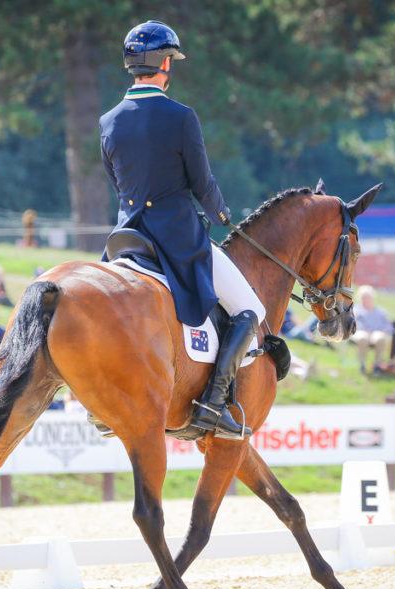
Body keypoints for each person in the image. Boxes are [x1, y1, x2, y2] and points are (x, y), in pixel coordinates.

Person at [98, 20, 265, 439]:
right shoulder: (180, 117)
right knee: (250, 310)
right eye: (171, 59)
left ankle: (99, 403)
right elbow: (202, 182)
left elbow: (117, 182)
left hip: (126, 238)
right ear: (164, 63)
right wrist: (223, 215)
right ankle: (212, 404)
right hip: (175, 236)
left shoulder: (108, 120)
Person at [351, 285, 393, 374]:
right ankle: (362, 364)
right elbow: (353, 324)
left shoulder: (381, 312)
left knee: (380, 338)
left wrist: (382, 331)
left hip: (377, 332)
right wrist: (365, 329)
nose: (366, 300)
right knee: (363, 338)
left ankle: (377, 365)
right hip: (361, 332)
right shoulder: (356, 310)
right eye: (363, 297)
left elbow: (389, 326)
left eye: (368, 297)